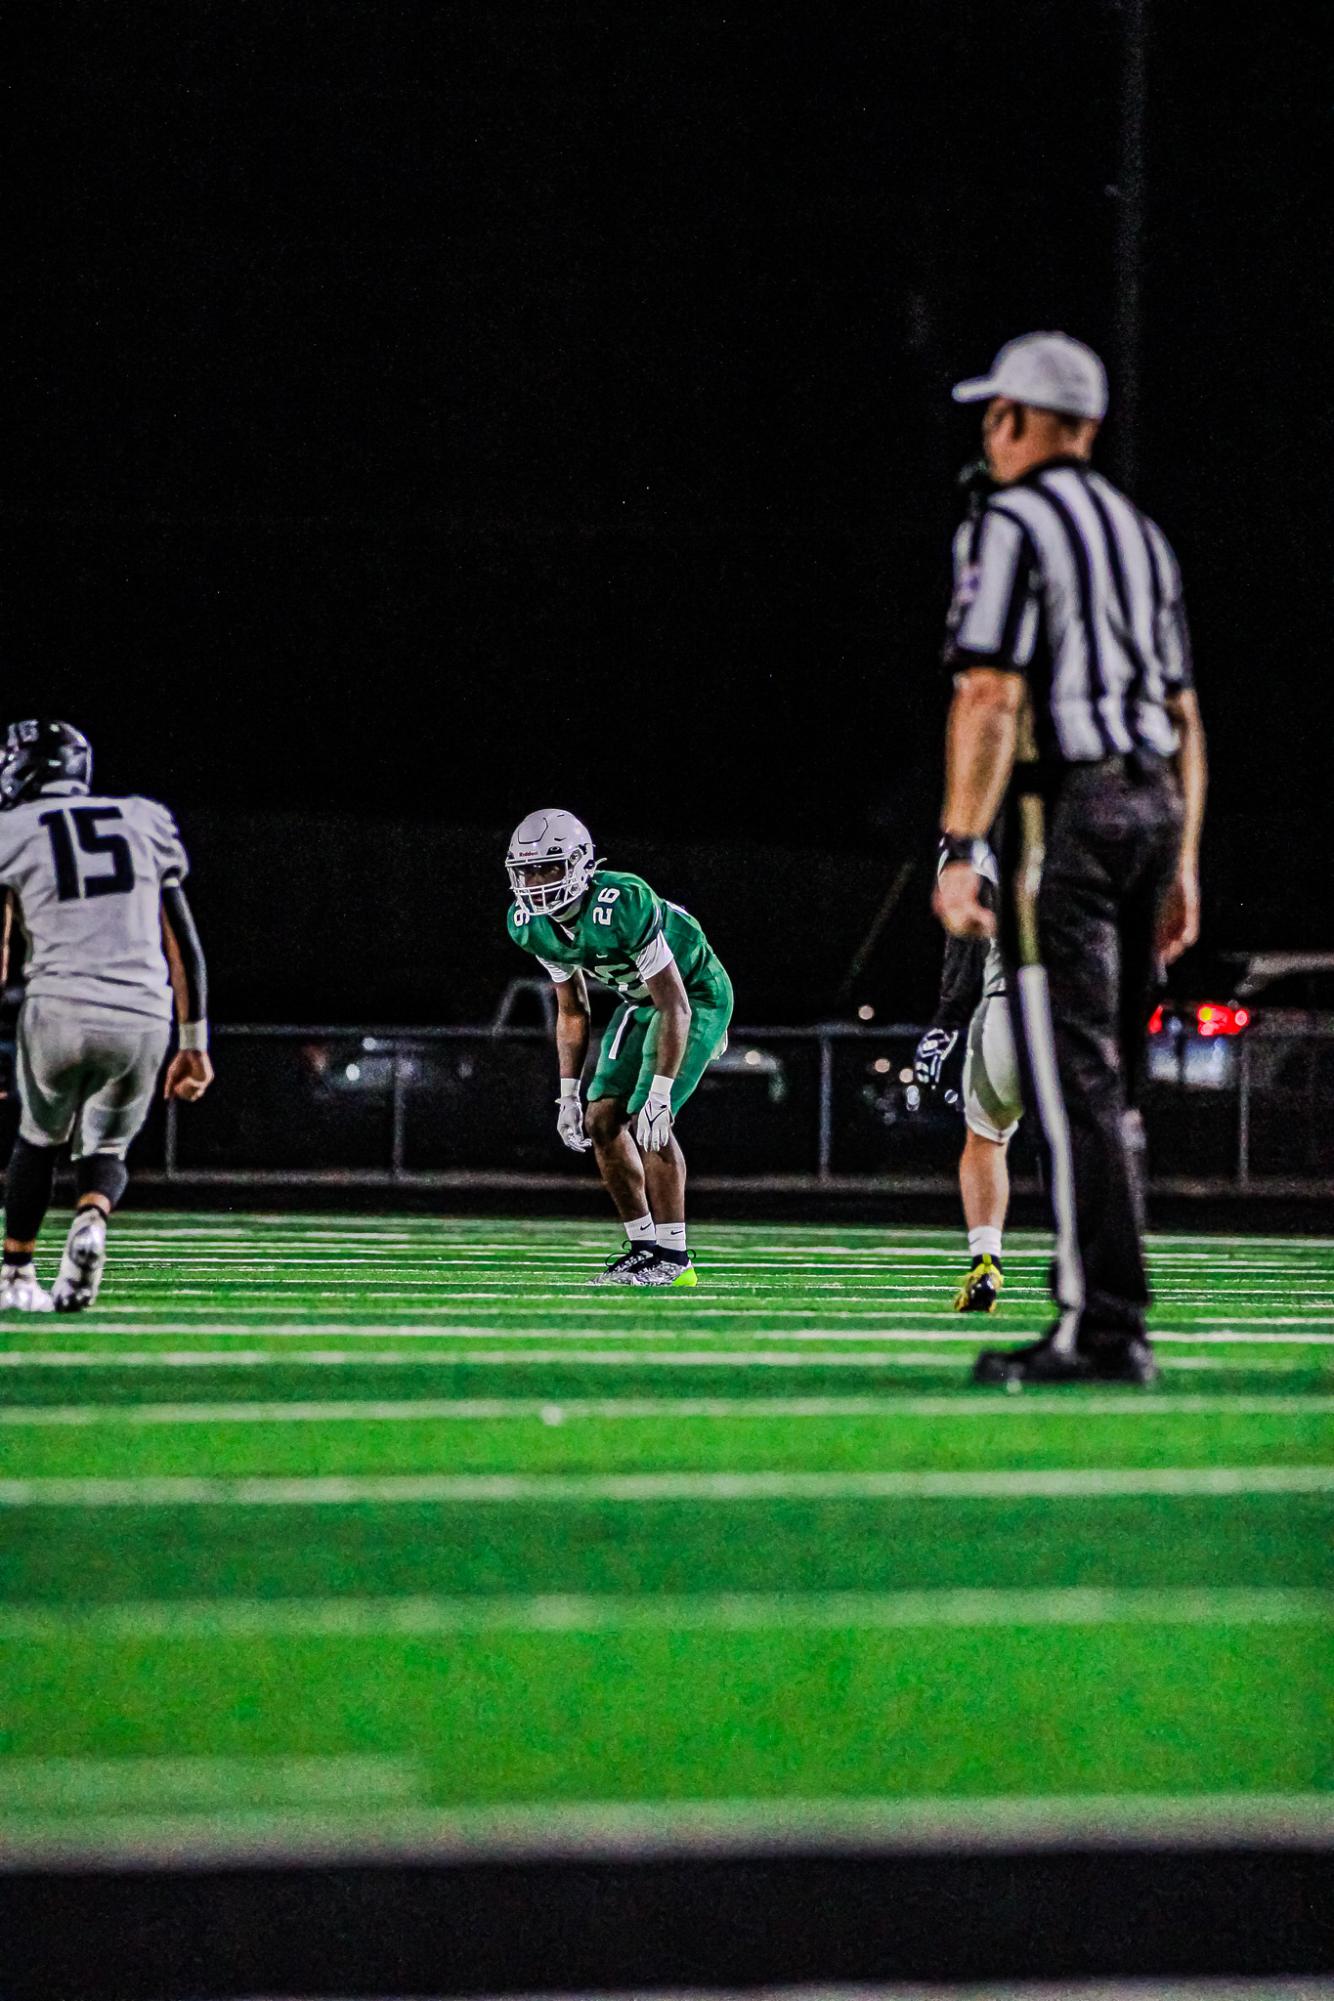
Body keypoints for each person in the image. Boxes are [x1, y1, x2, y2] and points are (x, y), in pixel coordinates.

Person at [934, 331, 1207, 1386]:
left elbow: (988, 692)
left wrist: (962, 843)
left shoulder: (1009, 522)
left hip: (1073, 815)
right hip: (1151, 801)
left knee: (1069, 1083)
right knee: (1110, 1084)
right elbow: (1182, 712)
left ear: (1015, 420)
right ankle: (1111, 1317)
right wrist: (1182, 857)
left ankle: (1098, 1328)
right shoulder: (1139, 536)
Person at [0, 720, 213, 1312]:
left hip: (59, 1007)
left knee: (38, 1139)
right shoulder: (144, 819)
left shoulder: (10, 830)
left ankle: (17, 1271)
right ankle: (91, 1219)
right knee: (108, 1150)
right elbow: (185, 944)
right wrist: (194, 1043)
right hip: (145, 1014)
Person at [505, 808, 733, 1286]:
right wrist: (567, 1093)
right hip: (639, 1000)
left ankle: (675, 1258)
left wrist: (659, 1094)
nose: (537, 880)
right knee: (601, 1118)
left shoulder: (622, 900)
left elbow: (675, 1004)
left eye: (549, 866)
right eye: (526, 870)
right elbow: (572, 1010)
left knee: (652, 1120)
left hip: (694, 996)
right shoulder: (529, 923)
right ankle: (644, 1246)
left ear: (581, 863)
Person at [910, 839, 1023, 1313]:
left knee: (986, 1135)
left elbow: (966, 938)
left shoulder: (973, 842)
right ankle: (1101, 1278)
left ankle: (985, 1260)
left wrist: (947, 1020)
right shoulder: (1112, 813)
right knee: (1093, 1141)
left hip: (1011, 1006)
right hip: (1093, 1002)